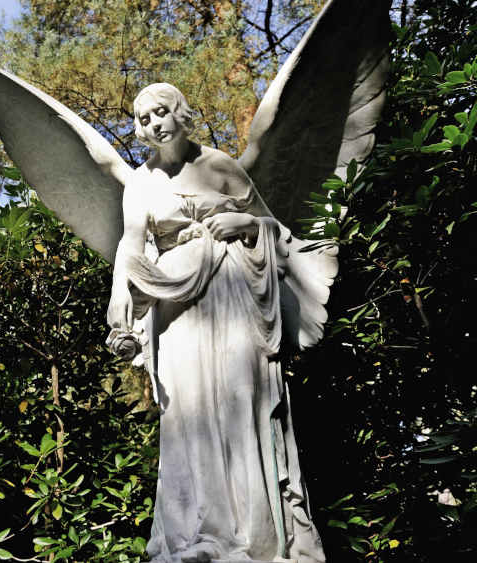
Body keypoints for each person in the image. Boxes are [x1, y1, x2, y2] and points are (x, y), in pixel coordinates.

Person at [106, 83, 326, 563]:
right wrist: (121, 294)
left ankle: (255, 537)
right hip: (174, 303)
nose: (153, 125)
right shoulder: (140, 183)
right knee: (188, 411)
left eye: (161, 112)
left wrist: (245, 226)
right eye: (143, 119)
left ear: (182, 112)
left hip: (231, 292)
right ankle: (195, 537)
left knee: (237, 400)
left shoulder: (220, 166)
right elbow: (130, 243)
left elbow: (277, 232)